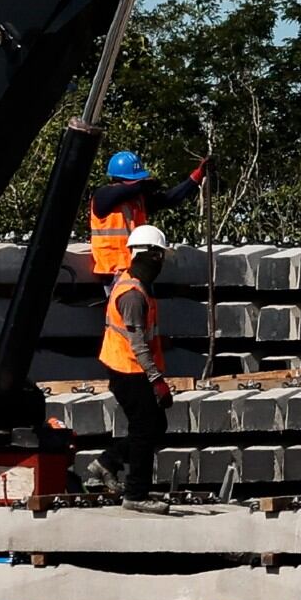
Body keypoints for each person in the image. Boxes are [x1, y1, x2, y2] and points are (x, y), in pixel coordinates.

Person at [85, 225, 176, 512]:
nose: (161, 262)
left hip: (128, 367)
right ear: (148, 255)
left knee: (153, 425)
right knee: (145, 429)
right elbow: (138, 344)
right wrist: (157, 380)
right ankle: (136, 495)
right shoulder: (133, 294)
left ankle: (108, 462)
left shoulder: (131, 283)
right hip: (130, 370)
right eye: (158, 255)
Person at [89, 150, 210, 279]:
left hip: (136, 267)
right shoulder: (103, 196)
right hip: (113, 270)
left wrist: (197, 176)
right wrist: (146, 184)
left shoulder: (138, 200)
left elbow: (170, 198)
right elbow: (127, 190)